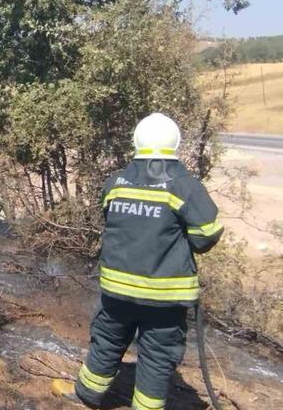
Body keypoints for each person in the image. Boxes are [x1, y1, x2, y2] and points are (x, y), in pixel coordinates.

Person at [52, 113, 224, 409]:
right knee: (157, 356)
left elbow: (112, 219)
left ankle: (88, 395)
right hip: (165, 297)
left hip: (117, 290)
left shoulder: (115, 182)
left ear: (136, 142)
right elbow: (205, 236)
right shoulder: (185, 187)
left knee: (107, 340)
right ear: (175, 144)